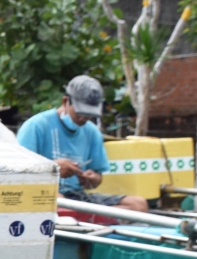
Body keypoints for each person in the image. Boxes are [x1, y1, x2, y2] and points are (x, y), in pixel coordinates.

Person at [16, 75, 148, 212]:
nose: (83, 118)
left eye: (88, 115)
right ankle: (87, 218)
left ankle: (87, 219)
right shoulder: (36, 126)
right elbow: (17, 173)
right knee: (59, 202)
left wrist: (92, 179)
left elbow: (98, 177)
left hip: (77, 196)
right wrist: (53, 169)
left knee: (138, 204)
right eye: (79, 113)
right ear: (65, 101)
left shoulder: (92, 132)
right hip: (42, 193)